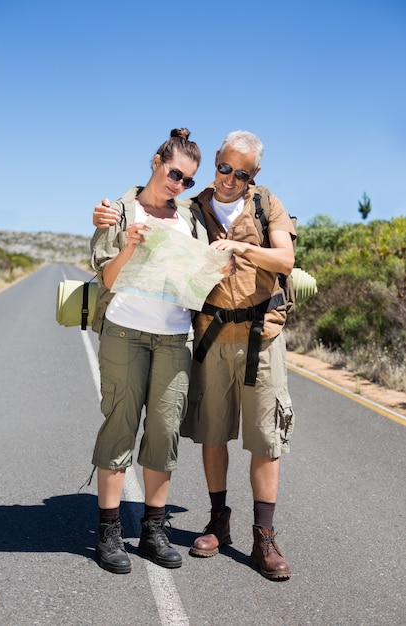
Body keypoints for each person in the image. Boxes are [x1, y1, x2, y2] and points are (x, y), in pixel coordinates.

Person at [93, 130, 296, 580]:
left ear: (253, 174)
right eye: (222, 168)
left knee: (196, 434)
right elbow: (115, 258)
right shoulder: (160, 208)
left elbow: (282, 259)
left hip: (215, 336)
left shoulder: (231, 207)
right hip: (162, 334)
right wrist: (112, 220)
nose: (227, 178)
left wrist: (238, 251)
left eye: (240, 172)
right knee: (167, 429)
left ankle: (236, 535)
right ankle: (129, 529)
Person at [90, 128, 212, 575]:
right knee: (120, 425)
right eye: (175, 173)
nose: (179, 185)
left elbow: (196, 276)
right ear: (157, 161)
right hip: (125, 332)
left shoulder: (190, 219)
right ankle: (107, 531)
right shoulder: (119, 211)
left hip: (175, 336)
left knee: (164, 430)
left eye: (188, 181)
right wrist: (127, 247)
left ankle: (153, 530)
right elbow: (108, 279)